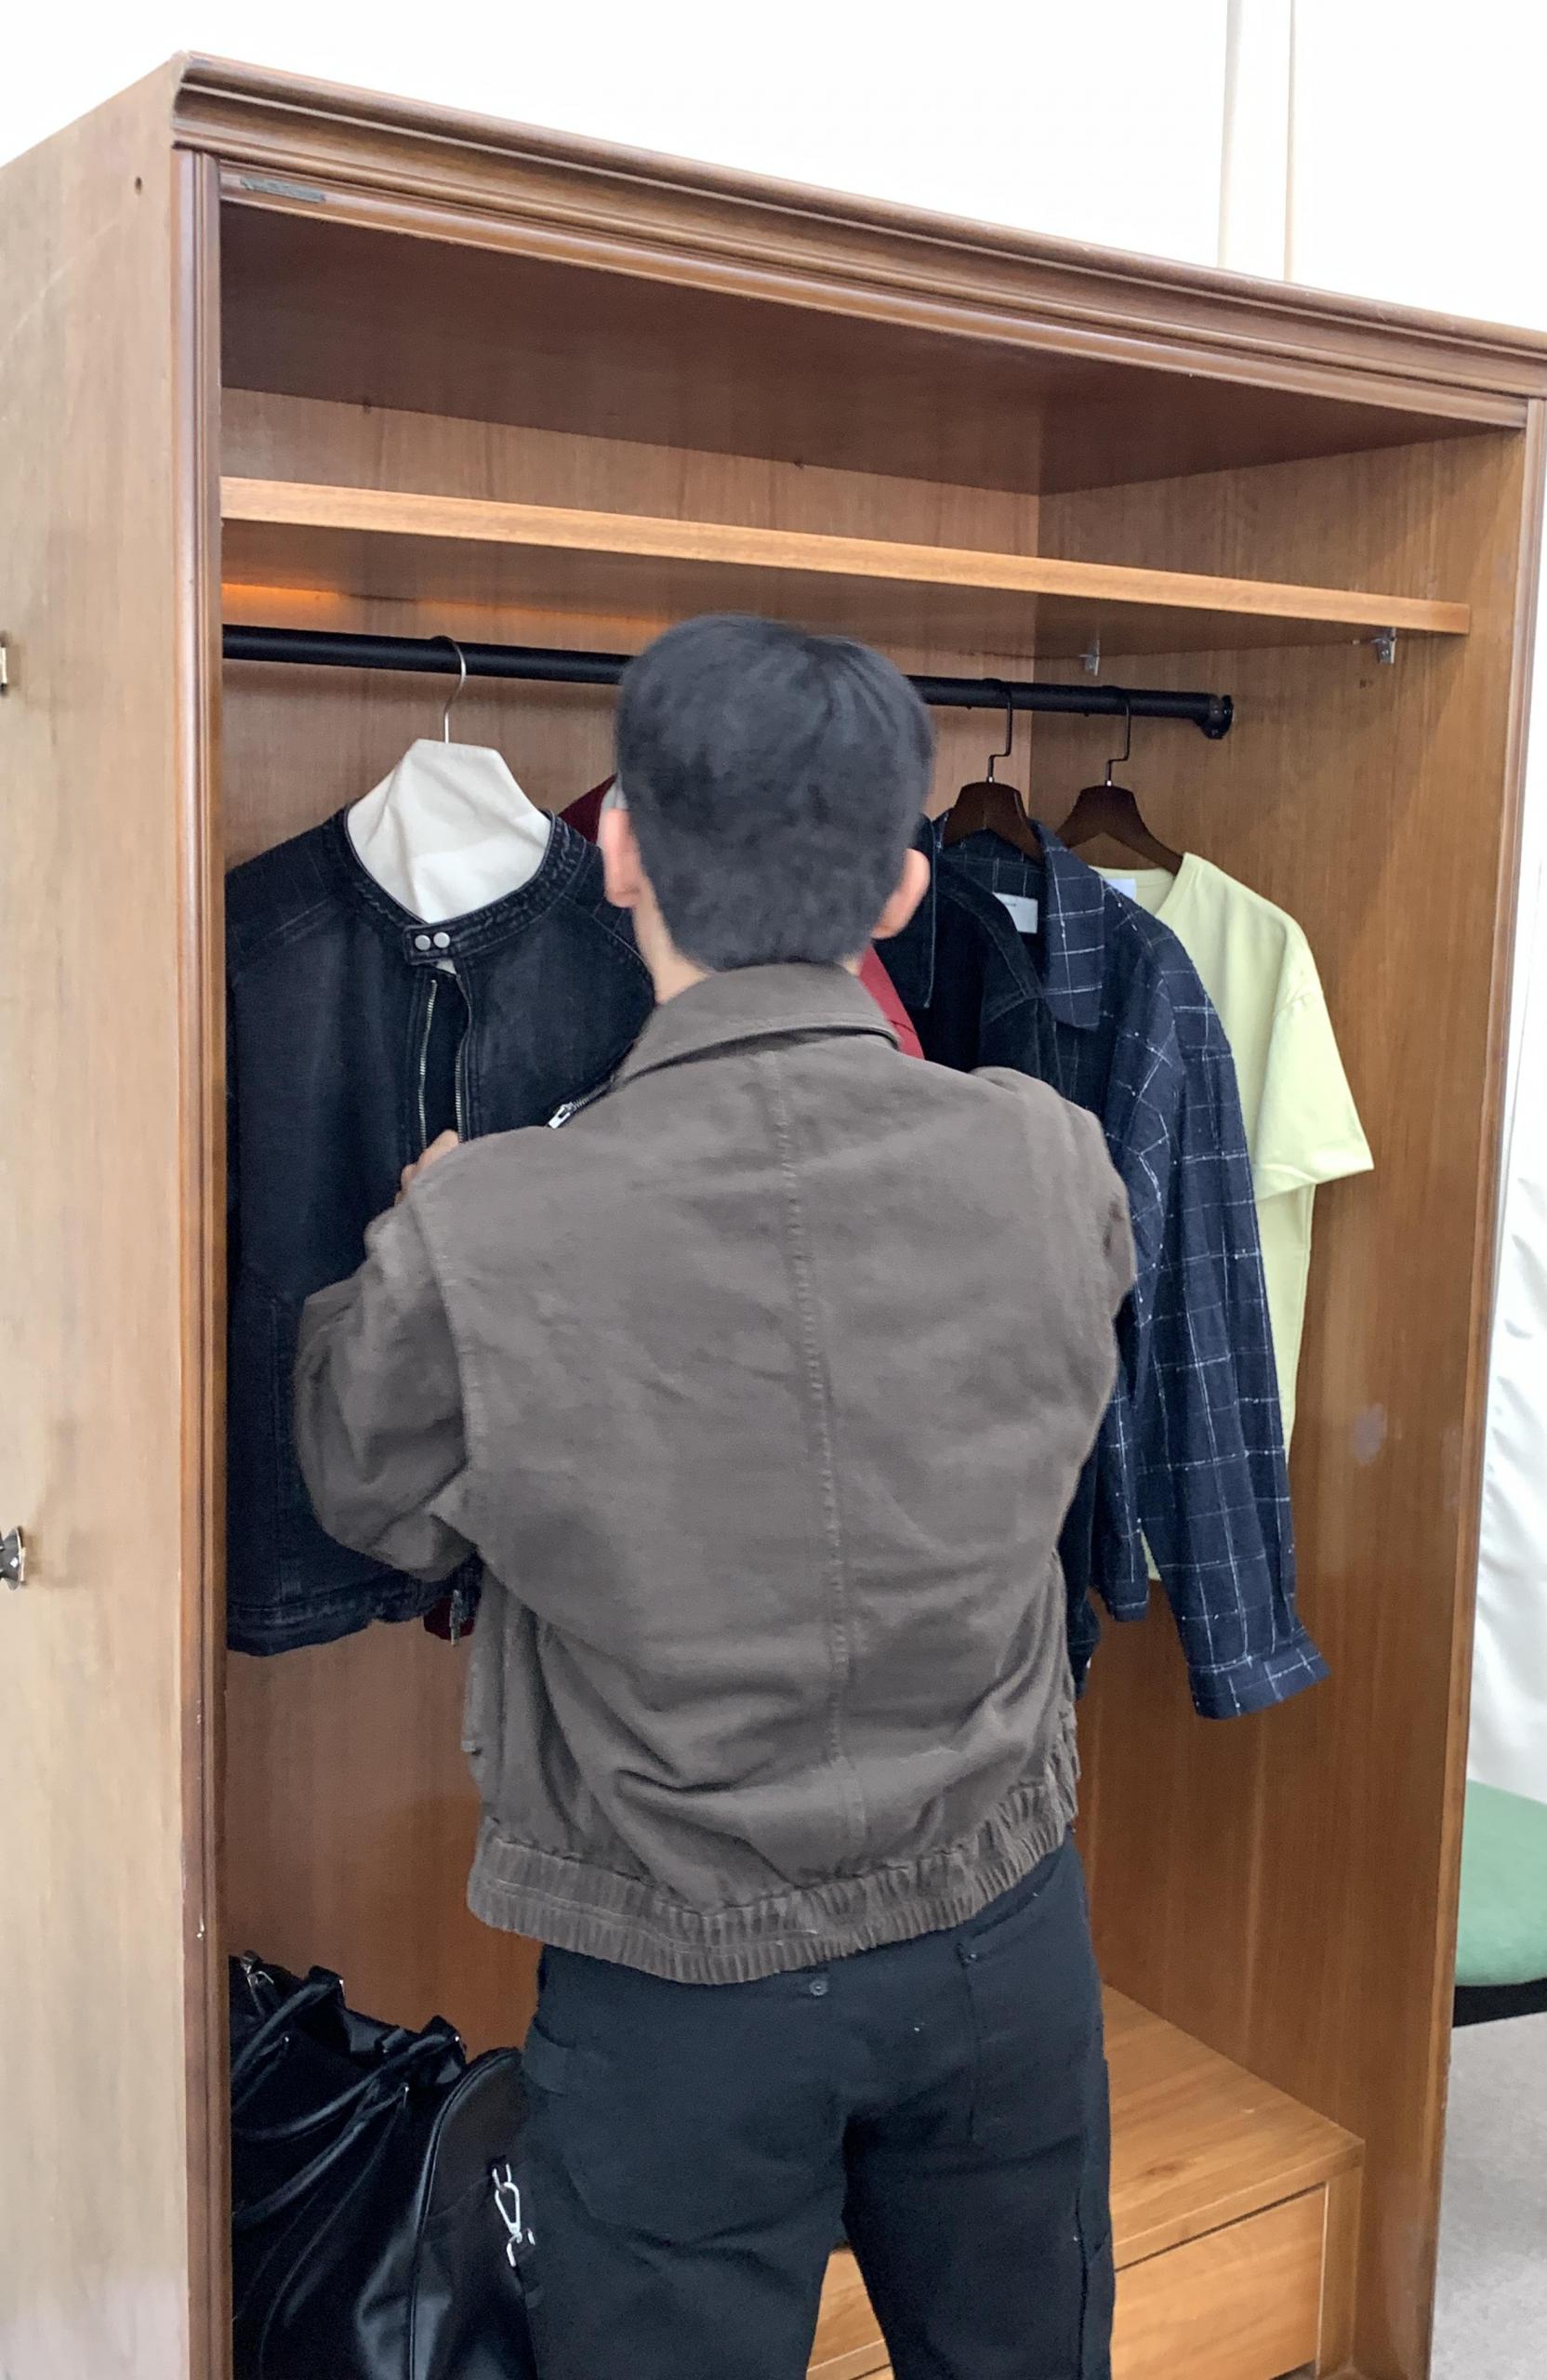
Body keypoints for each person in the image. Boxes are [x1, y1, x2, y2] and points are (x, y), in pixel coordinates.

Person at [294, 613, 1133, 2380]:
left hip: (679, 1990)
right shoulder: (1051, 1159)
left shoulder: (488, 1227)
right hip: (1005, 1939)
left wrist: (424, 1234)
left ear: (614, 848)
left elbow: (372, 1496)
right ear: (903, 889)